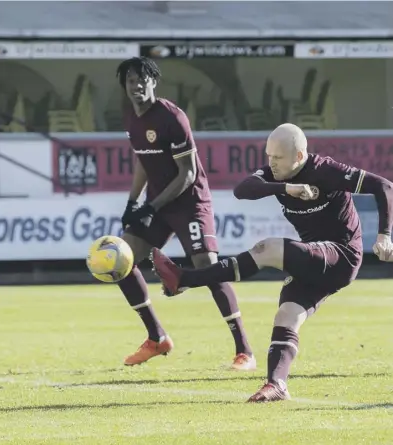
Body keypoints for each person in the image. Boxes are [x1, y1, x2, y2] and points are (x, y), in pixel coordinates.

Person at [151, 123, 393, 402]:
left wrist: (385, 235)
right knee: (287, 316)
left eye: (278, 157)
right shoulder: (276, 176)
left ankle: (184, 280)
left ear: (299, 156)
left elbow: (383, 186)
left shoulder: (325, 170)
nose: (271, 163)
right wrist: (288, 188)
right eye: (269, 156)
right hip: (312, 259)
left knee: (268, 248)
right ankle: (276, 384)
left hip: (341, 255)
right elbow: (243, 189)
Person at [114, 57, 255, 370]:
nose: (137, 86)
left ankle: (245, 350)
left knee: (208, 267)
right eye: (131, 81)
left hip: (188, 202)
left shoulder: (171, 116)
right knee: (120, 262)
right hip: (158, 203)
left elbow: (187, 174)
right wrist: (131, 203)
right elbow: (142, 161)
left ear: (154, 81)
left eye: (143, 79)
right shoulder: (132, 119)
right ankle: (156, 337)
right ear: (124, 86)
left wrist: (151, 207)